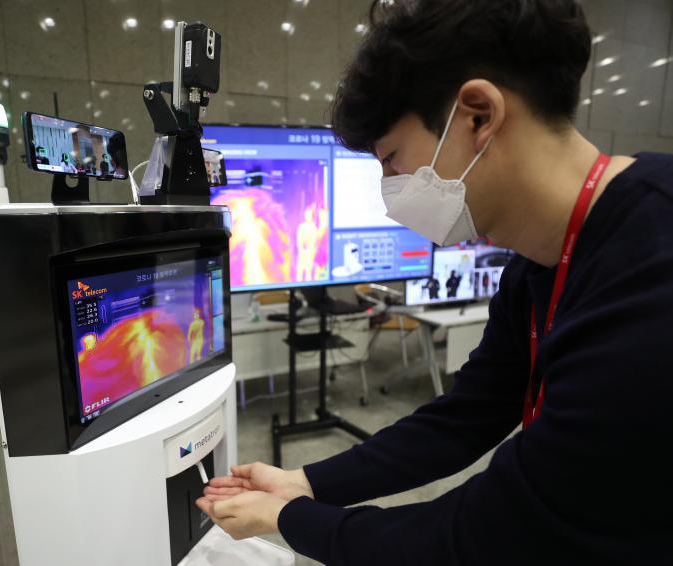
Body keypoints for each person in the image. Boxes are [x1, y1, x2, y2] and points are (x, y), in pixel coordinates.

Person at [196, 1, 673, 564]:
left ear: (478, 115)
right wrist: (306, 482)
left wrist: (289, 520)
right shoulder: (539, 262)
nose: (390, 191)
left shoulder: (654, 269)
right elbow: (468, 413)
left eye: (393, 160)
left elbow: (487, 533)